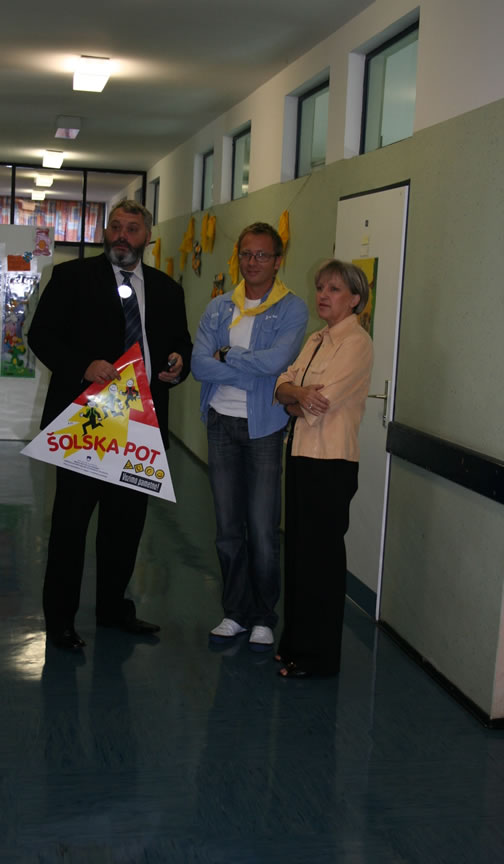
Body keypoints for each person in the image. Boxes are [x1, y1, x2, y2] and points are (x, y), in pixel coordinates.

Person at [28, 199, 192, 651]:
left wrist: (179, 364)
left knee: (125, 527)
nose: (122, 235)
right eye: (116, 226)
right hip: (87, 419)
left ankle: (113, 609)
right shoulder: (71, 278)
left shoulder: (166, 289)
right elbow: (40, 336)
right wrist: (83, 365)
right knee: (71, 526)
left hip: (140, 424)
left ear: (147, 237)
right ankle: (60, 621)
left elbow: (181, 344)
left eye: (132, 228)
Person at [191, 223, 308, 650]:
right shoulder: (220, 307)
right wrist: (250, 371)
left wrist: (227, 356)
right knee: (227, 528)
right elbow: (199, 365)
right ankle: (235, 612)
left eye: (261, 255)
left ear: (277, 261)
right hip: (220, 423)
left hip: (264, 429)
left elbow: (277, 362)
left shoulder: (292, 309)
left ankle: (263, 615)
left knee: (261, 528)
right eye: (245, 254)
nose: (252, 262)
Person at [274, 259, 373, 678]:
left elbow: (321, 402)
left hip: (331, 462)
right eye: (320, 288)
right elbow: (283, 386)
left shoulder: (356, 343)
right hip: (300, 454)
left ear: (355, 299)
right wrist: (295, 394)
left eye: (334, 289)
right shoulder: (317, 339)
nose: (323, 295)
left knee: (322, 561)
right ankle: (294, 644)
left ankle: (318, 657)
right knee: (298, 553)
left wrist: (295, 398)